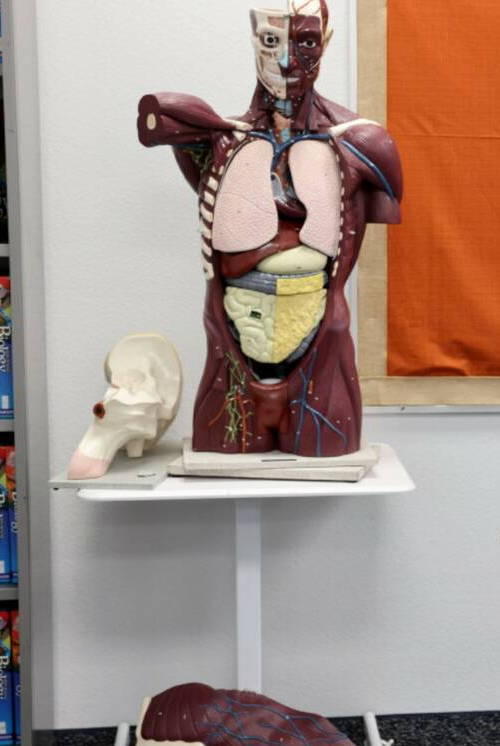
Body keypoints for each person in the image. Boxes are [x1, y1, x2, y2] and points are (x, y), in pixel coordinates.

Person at [136, 1, 402, 457]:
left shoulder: (362, 142)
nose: (286, 61)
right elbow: (160, 127)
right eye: (271, 41)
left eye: (305, 42)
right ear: (253, 41)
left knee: (323, 447)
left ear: (327, 42)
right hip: (234, 332)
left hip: (318, 330)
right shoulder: (221, 140)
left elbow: (374, 214)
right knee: (227, 445)